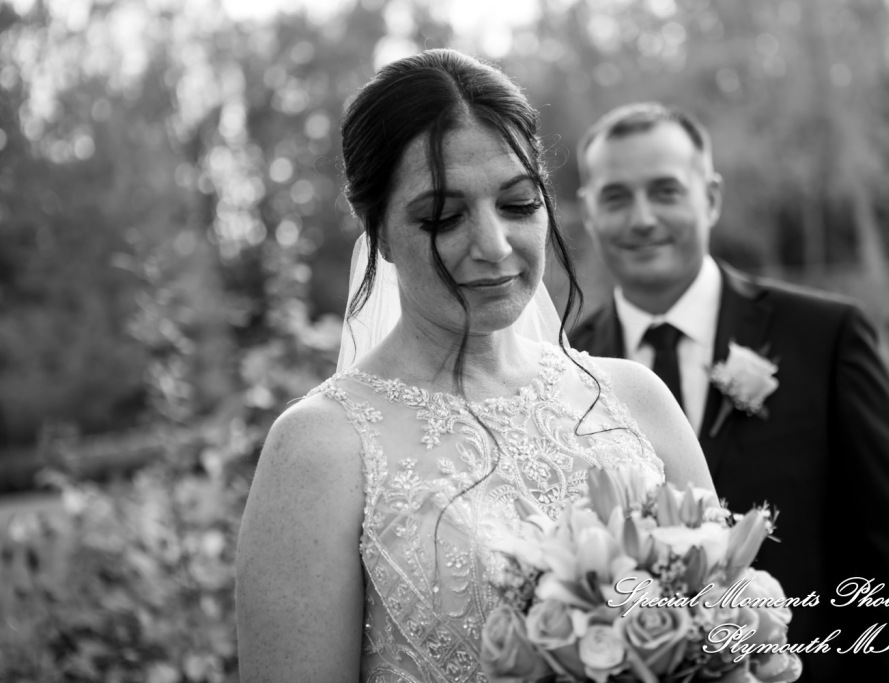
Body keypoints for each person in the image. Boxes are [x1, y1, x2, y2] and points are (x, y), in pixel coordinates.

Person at [234, 52, 714, 682]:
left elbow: (726, 631)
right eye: (443, 217)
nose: (493, 246)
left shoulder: (637, 398)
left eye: (518, 204)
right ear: (375, 229)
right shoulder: (321, 448)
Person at [570, 102, 889, 682]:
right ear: (589, 212)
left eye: (666, 191)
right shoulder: (567, 368)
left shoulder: (825, 338)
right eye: (617, 197)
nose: (642, 218)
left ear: (712, 198)